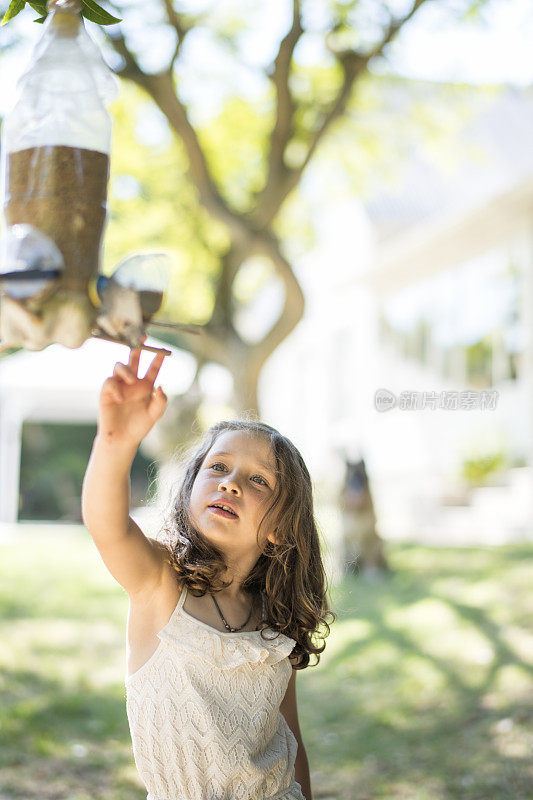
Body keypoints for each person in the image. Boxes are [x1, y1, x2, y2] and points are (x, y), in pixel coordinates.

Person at [81, 336, 336, 800]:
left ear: (281, 527)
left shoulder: (275, 623)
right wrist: (115, 441)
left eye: (258, 479)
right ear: (190, 488)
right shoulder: (160, 582)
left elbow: (289, 741)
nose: (232, 483)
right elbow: (108, 526)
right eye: (218, 467)